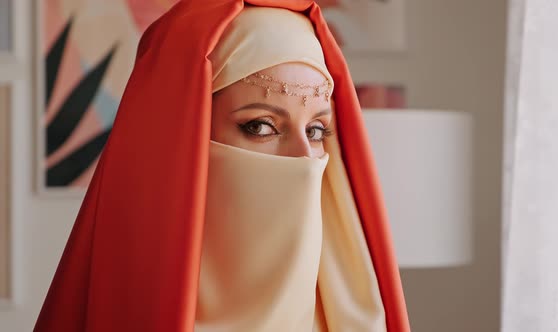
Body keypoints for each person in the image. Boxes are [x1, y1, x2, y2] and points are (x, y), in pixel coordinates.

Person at [34, 1, 410, 331]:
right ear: (181, 139)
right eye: (261, 126)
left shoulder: (356, 318)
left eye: (315, 130)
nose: (304, 159)